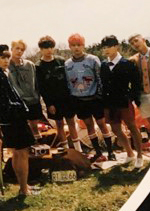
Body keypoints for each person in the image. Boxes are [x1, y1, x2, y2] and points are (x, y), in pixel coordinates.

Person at [0, 44, 39, 197]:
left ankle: (24, 186)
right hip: (12, 120)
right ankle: (24, 190)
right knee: (21, 153)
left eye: (8, 57)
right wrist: (22, 109)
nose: (6, 60)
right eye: (2, 57)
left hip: (10, 119)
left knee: (18, 153)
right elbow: (1, 104)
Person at [64, 34, 114, 162]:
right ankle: (98, 152)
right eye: (73, 45)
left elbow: (100, 78)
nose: (76, 48)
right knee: (89, 126)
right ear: (70, 47)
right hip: (80, 100)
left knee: (101, 124)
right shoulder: (67, 64)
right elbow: (68, 83)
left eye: (79, 45)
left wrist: (100, 95)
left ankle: (110, 152)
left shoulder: (92, 59)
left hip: (94, 98)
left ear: (83, 45)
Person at [98, 35, 144, 167]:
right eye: (104, 47)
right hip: (109, 103)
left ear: (117, 47)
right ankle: (130, 154)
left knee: (132, 127)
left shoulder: (127, 64)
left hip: (124, 101)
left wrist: (131, 97)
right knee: (116, 129)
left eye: (109, 46)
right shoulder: (103, 65)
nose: (106, 50)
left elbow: (136, 84)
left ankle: (139, 155)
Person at [35, 36, 78, 150]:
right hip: (53, 101)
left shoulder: (61, 61)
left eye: (51, 47)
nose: (49, 50)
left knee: (71, 123)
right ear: (41, 49)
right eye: (46, 48)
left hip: (67, 98)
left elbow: (69, 79)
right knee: (59, 125)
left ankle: (78, 150)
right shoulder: (38, 66)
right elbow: (42, 88)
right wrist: (49, 104)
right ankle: (66, 150)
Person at [8, 39, 43, 136]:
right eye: (17, 48)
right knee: (22, 129)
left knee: (35, 128)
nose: (19, 51)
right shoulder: (7, 66)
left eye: (22, 49)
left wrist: (37, 96)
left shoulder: (29, 65)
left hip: (33, 100)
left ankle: (38, 142)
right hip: (18, 103)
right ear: (11, 49)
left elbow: (36, 82)